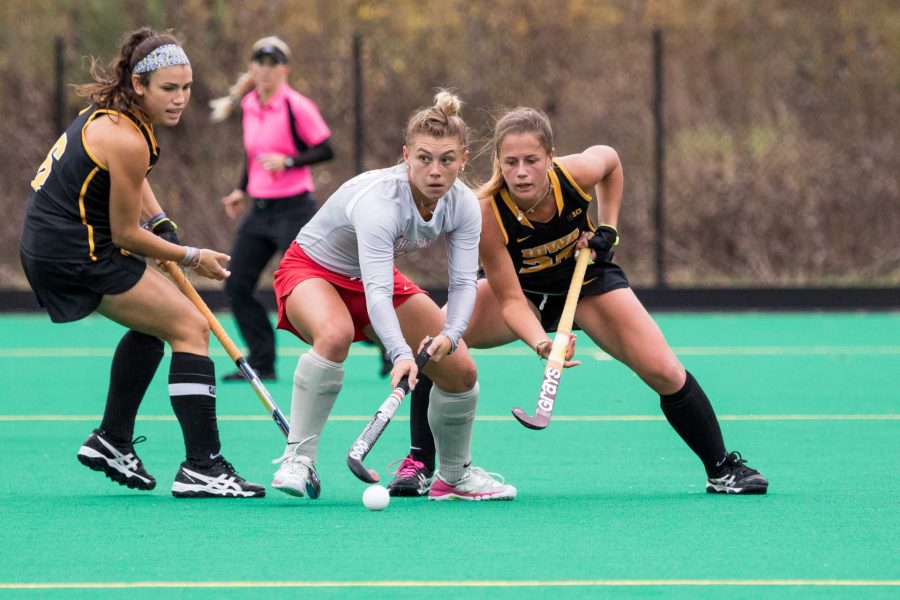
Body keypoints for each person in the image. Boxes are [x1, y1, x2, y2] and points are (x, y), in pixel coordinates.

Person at [387, 107, 768, 497]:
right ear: (497, 162)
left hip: (587, 284)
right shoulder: (487, 214)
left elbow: (610, 160)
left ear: (549, 157)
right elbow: (511, 300)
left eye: (532, 161)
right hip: (525, 295)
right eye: (511, 162)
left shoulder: (573, 176)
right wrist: (541, 342)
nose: (521, 172)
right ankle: (420, 463)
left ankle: (721, 469)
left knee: (664, 370)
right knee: (439, 339)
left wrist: (608, 228)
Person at [19, 27, 264, 498]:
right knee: (191, 327)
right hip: (74, 250)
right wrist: (193, 256)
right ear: (139, 85)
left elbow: (131, 186)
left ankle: (112, 439)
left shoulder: (118, 117)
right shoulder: (127, 138)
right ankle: (203, 468)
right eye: (168, 89)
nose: (180, 99)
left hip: (56, 242)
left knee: (160, 325)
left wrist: (163, 221)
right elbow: (125, 235)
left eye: (186, 88)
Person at [268, 90, 516, 502]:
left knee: (461, 371)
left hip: (375, 277)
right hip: (312, 268)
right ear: (406, 156)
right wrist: (401, 352)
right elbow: (377, 292)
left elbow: (462, 284)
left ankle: (453, 477)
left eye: (447, 159)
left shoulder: (464, 206)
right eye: (424, 158)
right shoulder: (380, 204)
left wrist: (451, 334)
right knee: (334, 333)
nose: (435, 171)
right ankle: (300, 459)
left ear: (464, 159)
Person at [209, 36, 334, 382]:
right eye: (259, 62)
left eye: (273, 63)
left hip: (295, 209)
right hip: (260, 213)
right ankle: (262, 362)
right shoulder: (249, 105)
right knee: (236, 284)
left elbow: (326, 149)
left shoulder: (297, 106)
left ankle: (381, 345)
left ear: (285, 69)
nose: (265, 69)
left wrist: (289, 160)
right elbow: (253, 157)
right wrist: (240, 189)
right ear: (251, 68)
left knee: (315, 287)